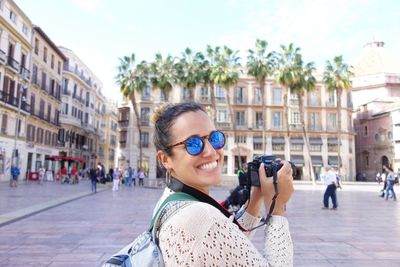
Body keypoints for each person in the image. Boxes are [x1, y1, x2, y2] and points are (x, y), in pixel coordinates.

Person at [152, 102, 294, 266]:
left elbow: (226, 247)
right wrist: (277, 207)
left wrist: (256, 197)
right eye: (193, 144)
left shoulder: (170, 199)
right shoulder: (201, 216)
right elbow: (217, 235)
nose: (211, 151)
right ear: (165, 159)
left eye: (214, 138)